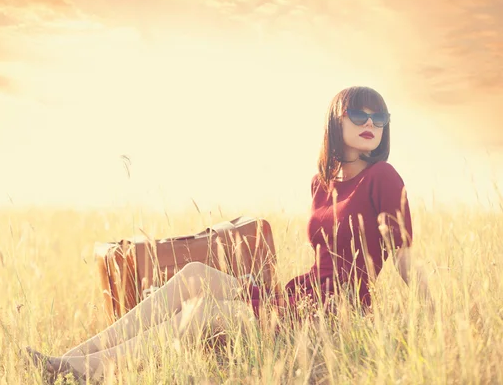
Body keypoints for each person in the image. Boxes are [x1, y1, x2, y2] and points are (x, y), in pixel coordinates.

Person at [25, 86, 433, 383]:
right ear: (335, 121)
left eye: (379, 119)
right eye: (358, 116)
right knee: (193, 276)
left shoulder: (384, 177)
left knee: (201, 311)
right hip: (300, 294)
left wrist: (432, 319)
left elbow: (405, 259)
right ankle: (70, 357)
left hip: (334, 313)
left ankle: (89, 372)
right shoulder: (320, 183)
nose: (370, 125)